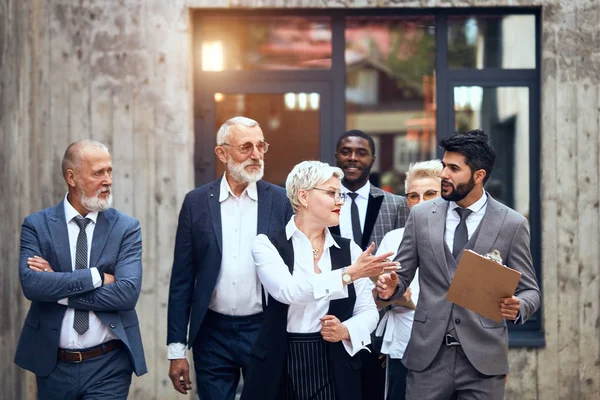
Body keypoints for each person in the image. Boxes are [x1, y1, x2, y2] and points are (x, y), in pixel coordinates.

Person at [377, 129, 541, 399]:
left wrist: (519, 305)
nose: (444, 174)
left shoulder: (511, 224)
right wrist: (391, 286)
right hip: (427, 358)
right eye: (444, 166)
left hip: (483, 361)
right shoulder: (421, 216)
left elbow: (531, 291)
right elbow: (401, 276)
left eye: (454, 168)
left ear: (479, 176)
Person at [241, 160, 399, 400]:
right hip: (278, 361)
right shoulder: (266, 244)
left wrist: (346, 330)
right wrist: (348, 274)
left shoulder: (350, 250)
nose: (340, 201)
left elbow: (368, 312)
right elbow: (288, 291)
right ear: (304, 197)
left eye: (340, 194)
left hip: (334, 361)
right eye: (331, 193)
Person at [166, 116, 293, 399]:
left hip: (263, 329)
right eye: (246, 147)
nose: (256, 155)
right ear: (222, 153)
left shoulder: (280, 201)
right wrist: (176, 350)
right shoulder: (196, 202)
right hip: (212, 333)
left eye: (261, 146)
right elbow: (182, 280)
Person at [15, 140, 146, 399]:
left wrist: (58, 289)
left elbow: (127, 294)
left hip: (109, 364)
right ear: (72, 178)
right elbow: (32, 285)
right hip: (53, 365)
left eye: (109, 171)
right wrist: (96, 277)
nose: (108, 180)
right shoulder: (37, 225)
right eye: (98, 173)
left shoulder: (126, 228)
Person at [331, 129, 410, 400]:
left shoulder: (397, 205)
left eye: (361, 152)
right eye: (346, 151)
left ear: (373, 159)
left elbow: (406, 267)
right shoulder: (321, 202)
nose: (352, 158)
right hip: (331, 316)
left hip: (379, 322)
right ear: (336, 157)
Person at [374, 160, 443, 400]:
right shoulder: (392, 241)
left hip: (453, 352)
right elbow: (373, 300)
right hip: (404, 347)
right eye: (414, 196)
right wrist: (392, 297)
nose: (421, 202)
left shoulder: (464, 236)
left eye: (430, 194)